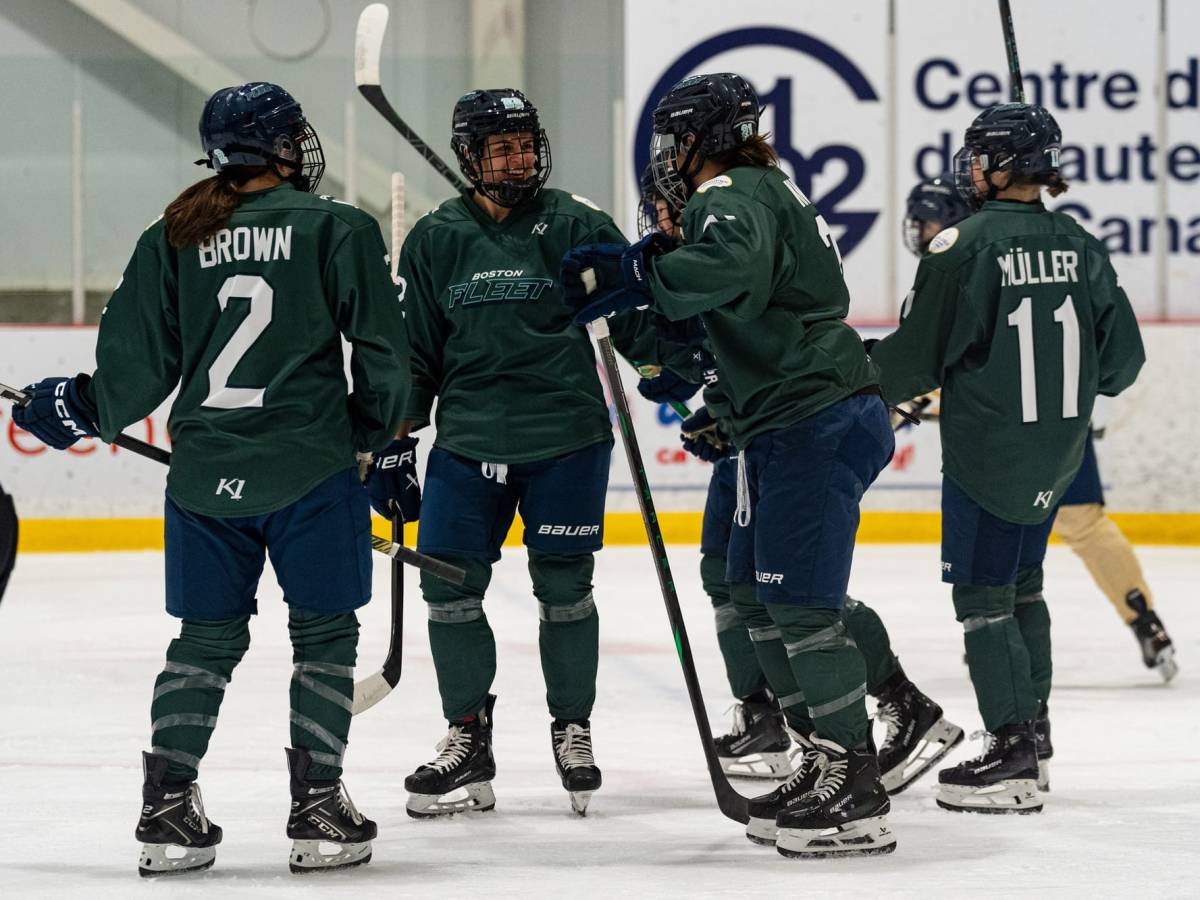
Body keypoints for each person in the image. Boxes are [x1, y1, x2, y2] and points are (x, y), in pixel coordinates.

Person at [11, 82, 410, 875]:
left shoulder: (173, 231)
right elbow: (385, 361)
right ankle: (318, 808)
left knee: (204, 639)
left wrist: (77, 406)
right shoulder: (338, 226)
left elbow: (133, 370)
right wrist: (373, 439)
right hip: (309, 471)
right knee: (325, 634)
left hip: (203, 478)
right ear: (281, 146)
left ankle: (166, 811)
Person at [562, 72, 898, 860]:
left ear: (700, 138)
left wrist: (634, 276)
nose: (666, 153)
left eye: (674, 137)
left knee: (803, 608)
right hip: (791, 414)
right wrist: (716, 397)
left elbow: (732, 271)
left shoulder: (728, 194)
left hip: (812, 416)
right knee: (759, 594)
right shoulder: (757, 190)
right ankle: (824, 758)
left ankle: (855, 785)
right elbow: (746, 304)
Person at [387, 88, 697, 819]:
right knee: (449, 593)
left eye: (526, 145)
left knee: (565, 590)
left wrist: (676, 369)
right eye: (501, 149)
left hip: (567, 441)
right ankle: (468, 735)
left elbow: (630, 318)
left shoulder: (577, 224)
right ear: (469, 157)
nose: (519, 160)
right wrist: (394, 444)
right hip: (467, 445)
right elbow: (416, 356)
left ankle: (572, 728)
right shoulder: (435, 239)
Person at [634, 168, 961, 815]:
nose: (664, 221)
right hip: (761, 424)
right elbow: (722, 351)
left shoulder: (733, 228)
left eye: (668, 208)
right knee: (744, 585)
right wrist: (718, 408)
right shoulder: (712, 245)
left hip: (797, 420)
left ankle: (878, 722)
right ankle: (799, 734)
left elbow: (755, 332)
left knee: (797, 597)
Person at [868, 103, 1145, 814]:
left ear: (999, 166)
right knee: (1025, 588)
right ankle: (1035, 739)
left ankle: (1011, 753)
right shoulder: (1081, 242)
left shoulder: (962, 244)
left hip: (986, 456)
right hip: (1057, 456)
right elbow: (1123, 363)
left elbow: (915, 358)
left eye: (978, 155)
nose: (969, 167)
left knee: (984, 600)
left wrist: (852, 378)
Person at [903, 175, 1176, 685]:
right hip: (1059, 428)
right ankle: (1144, 619)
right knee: (1083, 524)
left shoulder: (970, 263)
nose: (921, 233)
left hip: (1006, 442)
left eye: (929, 222)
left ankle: (1001, 634)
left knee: (1022, 543)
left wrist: (900, 398)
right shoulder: (1042, 249)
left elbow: (958, 361)